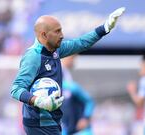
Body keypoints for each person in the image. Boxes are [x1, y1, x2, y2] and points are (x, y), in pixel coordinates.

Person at [11, 7, 125, 135]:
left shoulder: (55, 50)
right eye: (57, 31)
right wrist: (39, 101)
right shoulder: (33, 57)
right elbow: (16, 89)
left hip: (52, 120)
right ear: (44, 35)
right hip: (39, 122)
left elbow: (81, 43)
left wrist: (105, 28)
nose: (62, 35)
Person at [61, 55, 95, 135]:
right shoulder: (60, 76)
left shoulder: (71, 85)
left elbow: (89, 101)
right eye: (73, 58)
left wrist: (85, 117)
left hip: (76, 129)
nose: (74, 61)